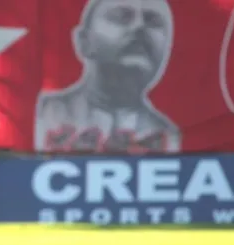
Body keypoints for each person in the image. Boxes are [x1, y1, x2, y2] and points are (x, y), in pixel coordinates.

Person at [35, 0, 180, 153]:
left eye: (153, 21)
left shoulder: (169, 137)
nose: (139, 27)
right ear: (84, 42)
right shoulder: (41, 115)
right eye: (121, 17)